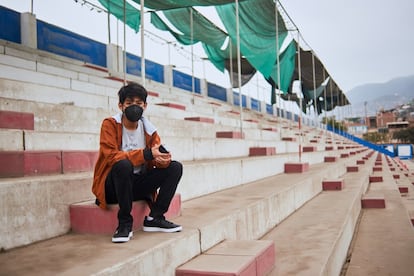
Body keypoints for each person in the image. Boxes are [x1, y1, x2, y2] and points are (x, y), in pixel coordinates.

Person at [92, 82, 183, 243]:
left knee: (175, 167)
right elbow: (111, 157)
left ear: (145, 106)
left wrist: (162, 159)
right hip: (113, 188)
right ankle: (124, 224)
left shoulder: (149, 130)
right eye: (129, 103)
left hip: (137, 186)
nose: (134, 107)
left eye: (139, 103)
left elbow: (156, 161)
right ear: (121, 105)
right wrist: (146, 154)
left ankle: (155, 217)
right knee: (123, 164)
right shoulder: (110, 124)